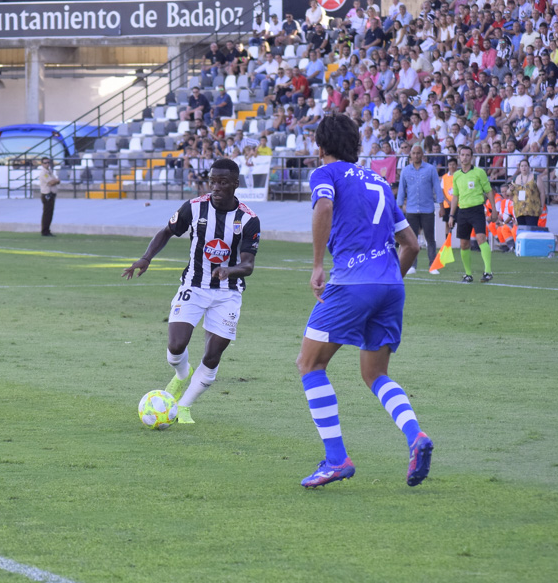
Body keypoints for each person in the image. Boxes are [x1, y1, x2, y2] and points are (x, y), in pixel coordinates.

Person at [294, 114, 429, 489]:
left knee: (309, 363)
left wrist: (319, 264)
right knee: (375, 374)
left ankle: (336, 459)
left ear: (321, 147)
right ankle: (416, 436)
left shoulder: (327, 174)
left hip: (353, 280)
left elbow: (323, 208)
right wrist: (384, 284)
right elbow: (413, 245)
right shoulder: (379, 181)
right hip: (391, 284)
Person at [121, 158, 260, 425]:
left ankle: (183, 407)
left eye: (223, 182)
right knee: (175, 346)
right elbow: (166, 232)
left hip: (228, 293)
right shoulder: (194, 208)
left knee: (213, 353)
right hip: (194, 286)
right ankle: (183, 374)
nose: (216, 187)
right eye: (213, 181)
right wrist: (146, 258)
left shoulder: (248, 219)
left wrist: (229, 271)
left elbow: (248, 265)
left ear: (235, 184)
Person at [447, 146, 497, 283]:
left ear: (472, 157)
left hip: (476, 210)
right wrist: (452, 215)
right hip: (462, 211)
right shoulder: (456, 175)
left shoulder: (479, 172)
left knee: (481, 238)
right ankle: (468, 274)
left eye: (467, 155)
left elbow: (489, 191)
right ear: (459, 156)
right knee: (464, 244)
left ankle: (488, 271)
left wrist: (494, 209)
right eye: (462, 155)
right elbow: (455, 197)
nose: (465, 157)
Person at [396, 144, 443, 274]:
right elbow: (401, 190)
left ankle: (433, 265)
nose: (416, 155)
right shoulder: (405, 171)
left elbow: (437, 188)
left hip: (427, 209)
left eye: (418, 153)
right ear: (410, 155)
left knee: (430, 238)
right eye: (414, 153)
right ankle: (412, 266)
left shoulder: (430, 169)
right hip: (411, 210)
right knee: (412, 239)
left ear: (422, 155)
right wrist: (399, 207)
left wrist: (442, 205)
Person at [507, 159, 544, 227]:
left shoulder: (535, 177)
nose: (524, 168)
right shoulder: (516, 179)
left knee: (531, 229)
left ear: (529, 167)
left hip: (532, 209)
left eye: (525, 166)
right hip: (519, 209)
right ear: (519, 168)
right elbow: (508, 192)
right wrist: (511, 189)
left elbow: (542, 192)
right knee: (522, 229)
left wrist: (541, 206)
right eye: (522, 166)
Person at [36, 157, 60, 237]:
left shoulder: (49, 171)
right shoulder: (44, 173)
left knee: (49, 214)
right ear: (42, 164)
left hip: (51, 194)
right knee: (47, 214)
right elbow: (52, 182)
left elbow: (56, 181)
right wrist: (56, 181)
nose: (47, 164)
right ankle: (45, 231)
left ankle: (47, 230)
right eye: (45, 163)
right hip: (47, 195)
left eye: (48, 162)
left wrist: (56, 181)